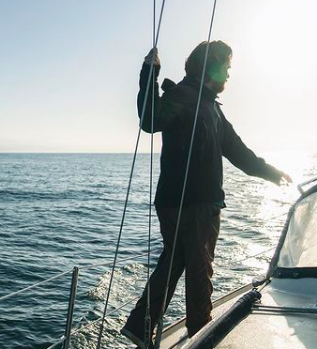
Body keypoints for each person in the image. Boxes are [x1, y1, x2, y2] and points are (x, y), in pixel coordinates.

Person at [120, 41, 292, 348]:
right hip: (195, 205)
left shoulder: (210, 107)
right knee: (200, 268)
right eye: (226, 68)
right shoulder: (185, 98)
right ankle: (201, 334)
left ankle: (140, 327)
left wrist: (271, 172)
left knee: (174, 261)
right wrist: (149, 73)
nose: (228, 75)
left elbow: (238, 152)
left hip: (180, 203)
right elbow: (150, 120)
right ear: (210, 68)